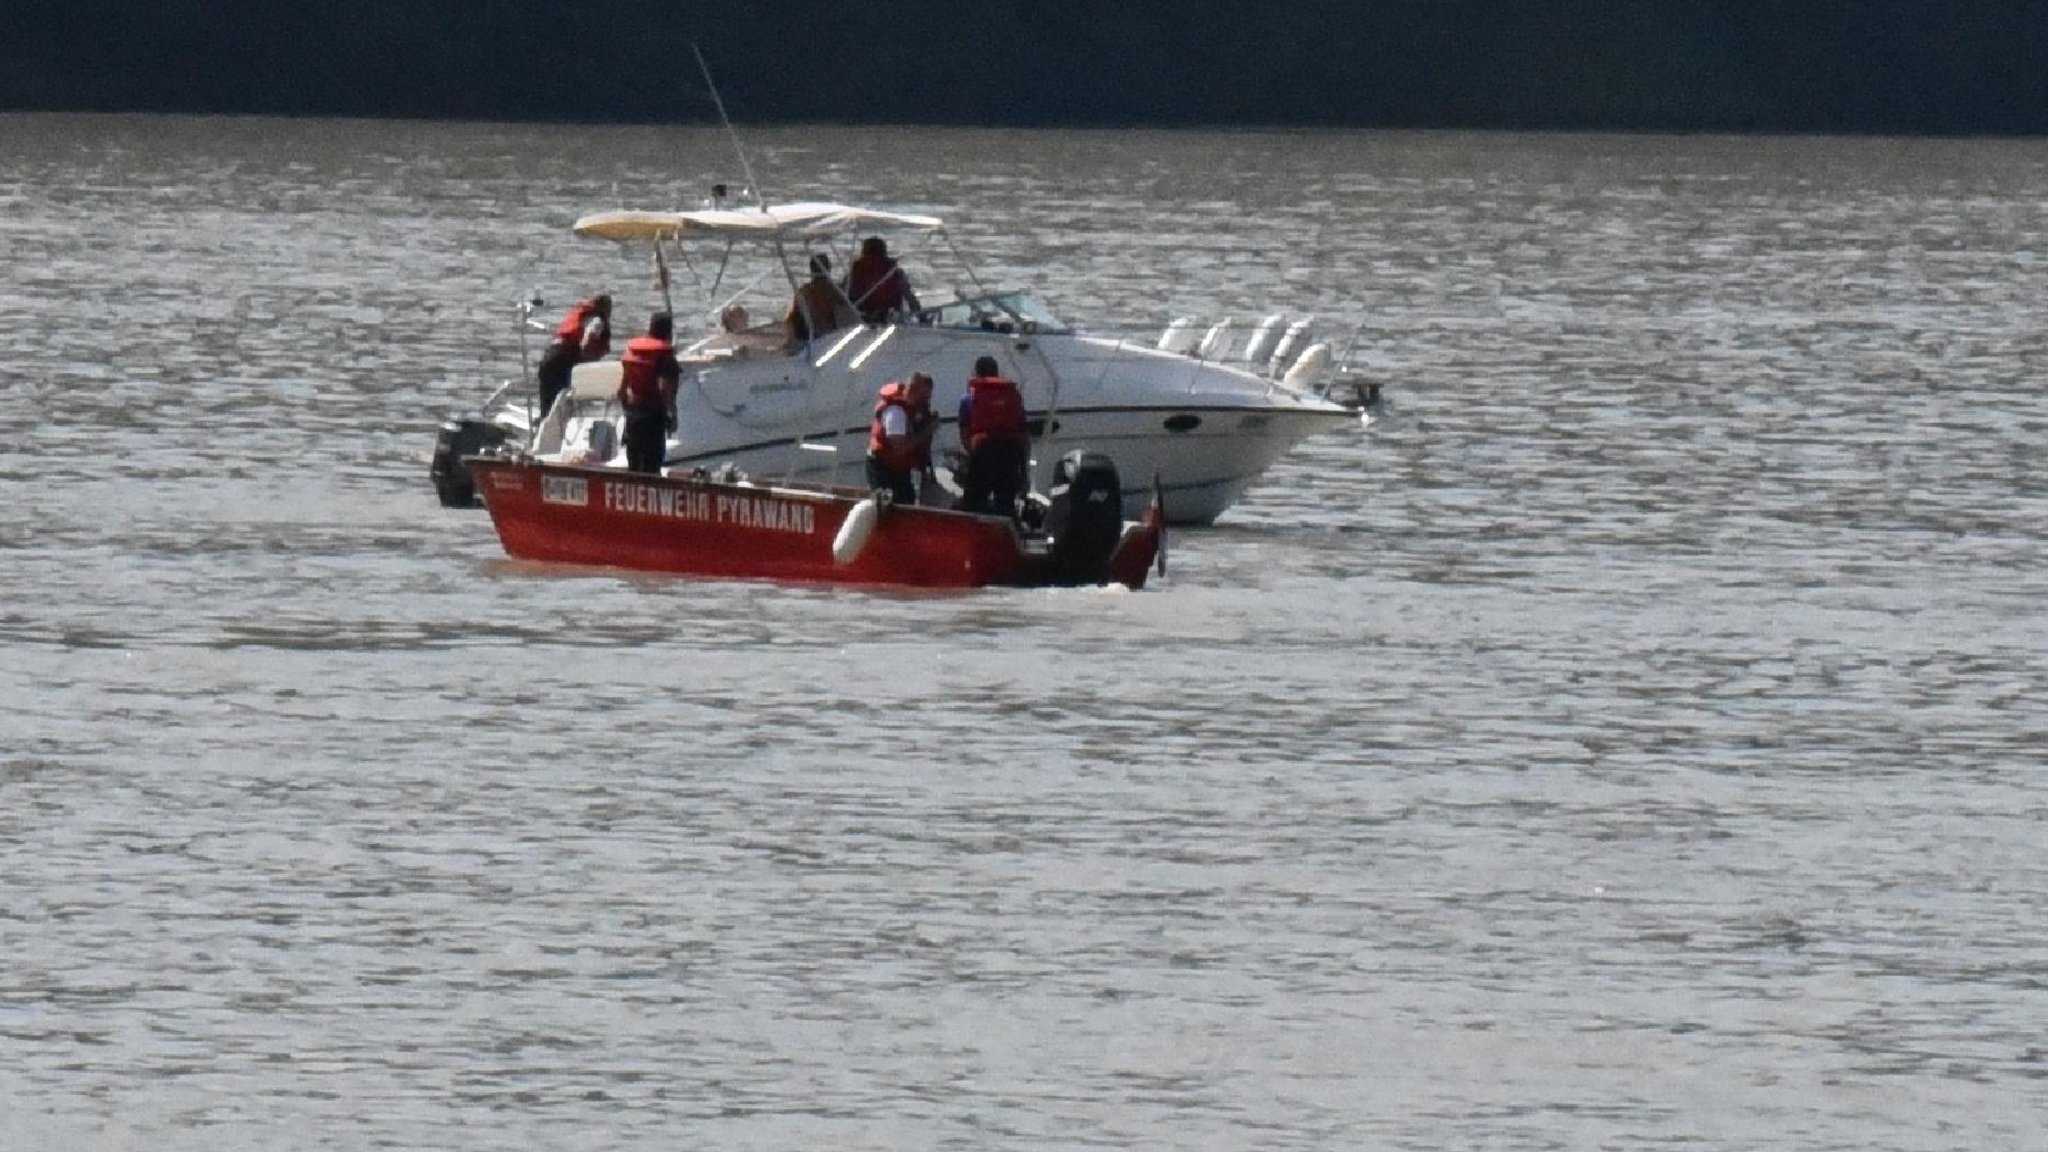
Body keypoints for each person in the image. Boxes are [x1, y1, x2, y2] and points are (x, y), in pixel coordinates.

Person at [954, 355, 1031, 518]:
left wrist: (973, 455)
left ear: (976, 373)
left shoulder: (968, 399)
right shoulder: (1013, 396)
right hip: (1010, 454)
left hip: (983, 453)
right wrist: (1024, 470)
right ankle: (1006, 538)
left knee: (974, 504)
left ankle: (976, 539)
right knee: (1005, 504)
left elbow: (965, 434)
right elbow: (1023, 435)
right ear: (997, 373)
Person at [616, 313, 680, 475]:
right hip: (653, 417)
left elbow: (622, 389)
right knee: (651, 465)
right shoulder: (665, 357)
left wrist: (627, 409)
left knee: (634, 462)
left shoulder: (634, 351)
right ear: (669, 332)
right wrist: (672, 415)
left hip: (633, 414)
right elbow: (665, 389)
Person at [866, 372, 939, 504]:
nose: (926, 401)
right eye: (924, 396)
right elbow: (899, 448)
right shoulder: (896, 412)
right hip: (883, 466)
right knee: (890, 505)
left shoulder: (913, 409)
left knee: (907, 500)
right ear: (913, 391)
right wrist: (927, 432)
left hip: (899, 467)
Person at [535, 293, 612, 417]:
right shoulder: (596, 321)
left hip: (549, 356)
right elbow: (587, 341)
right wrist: (585, 362)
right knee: (563, 399)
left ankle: (544, 422)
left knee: (548, 402)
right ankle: (557, 426)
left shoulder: (580, 315)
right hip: (563, 360)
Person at [784, 254, 858, 348]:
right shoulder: (835, 292)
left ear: (811, 270)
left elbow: (792, 317)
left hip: (806, 333)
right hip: (827, 334)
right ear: (828, 268)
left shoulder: (803, 291)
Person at [843, 236, 921, 324]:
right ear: (884, 252)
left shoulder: (854, 274)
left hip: (860, 316)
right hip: (888, 316)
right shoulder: (894, 272)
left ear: (864, 252)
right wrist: (916, 310)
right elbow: (909, 296)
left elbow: (843, 296)